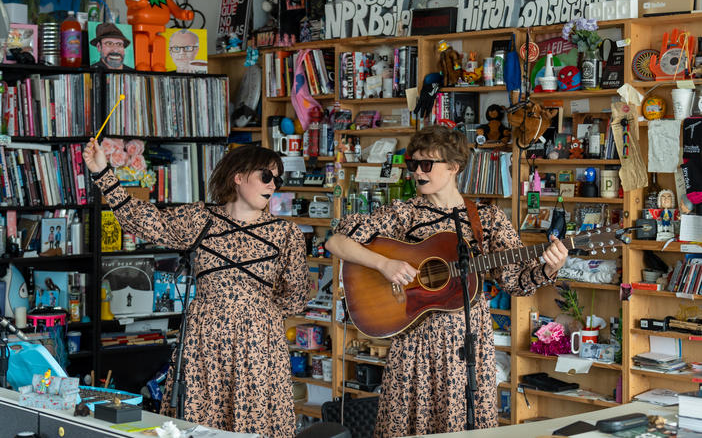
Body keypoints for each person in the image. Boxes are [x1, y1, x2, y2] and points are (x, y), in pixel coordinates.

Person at [325, 126, 568, 437]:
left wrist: (550, 268)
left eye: (428, 164)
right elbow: (335, 242)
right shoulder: (403, 214)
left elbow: (516, 282)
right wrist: (384, 263)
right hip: (413, 341)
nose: (417, 172)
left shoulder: (486, 220)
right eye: (413, 164)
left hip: (466, 345)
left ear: (454, 166)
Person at [83, 140, 311, 436]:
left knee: (256, 424)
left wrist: (255, 313)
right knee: (200, 423)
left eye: (277, 179)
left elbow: (296, 297)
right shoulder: (200, 219)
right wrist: (103, 172)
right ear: (238, 176)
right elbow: (143, 220)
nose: (272, 185)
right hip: (205, 341)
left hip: (258, 344)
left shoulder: (286, 234)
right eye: (266, 176)